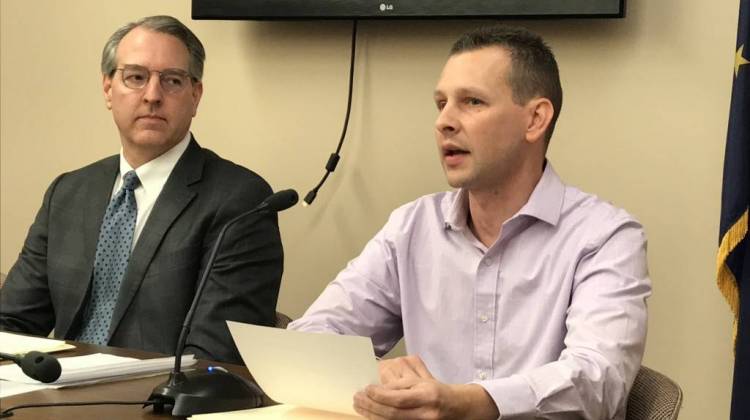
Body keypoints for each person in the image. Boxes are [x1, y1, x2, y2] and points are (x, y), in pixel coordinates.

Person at [289, 25, 651, 419]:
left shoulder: (605, 236)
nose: (444, 121)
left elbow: (598, 383)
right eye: (441, 103)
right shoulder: (412, 227)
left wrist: (467, 403)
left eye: (472, 102)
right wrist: (372, 372)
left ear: (535, 119)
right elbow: (306, 341)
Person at [0, 15, 283, 364]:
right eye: (136, 77)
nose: (152, 96)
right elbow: (10, 324)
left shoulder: (240, 200)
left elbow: (215, 357)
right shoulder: (69, 192)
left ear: (195, 96)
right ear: (108, 89)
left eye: (173, 81)